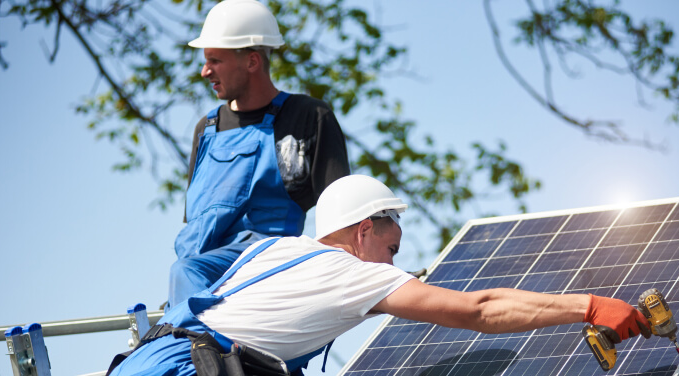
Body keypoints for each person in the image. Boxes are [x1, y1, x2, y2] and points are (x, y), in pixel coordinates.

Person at [111, 175, 650, 376]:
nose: (393, 265)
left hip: (146, 361)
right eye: (390, 248)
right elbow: (480, 310)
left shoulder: (274, 250)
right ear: (363, 229)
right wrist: (587, 305)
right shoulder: (351, 273)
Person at [169, 0, 351, 307]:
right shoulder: (206, 130)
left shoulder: (307, 118)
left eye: (215, 60)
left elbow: (343, 217)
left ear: (252, 61)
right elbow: (194, 223)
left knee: (187, 272)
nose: (204, 71)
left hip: (269, 274)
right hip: (201, 282)